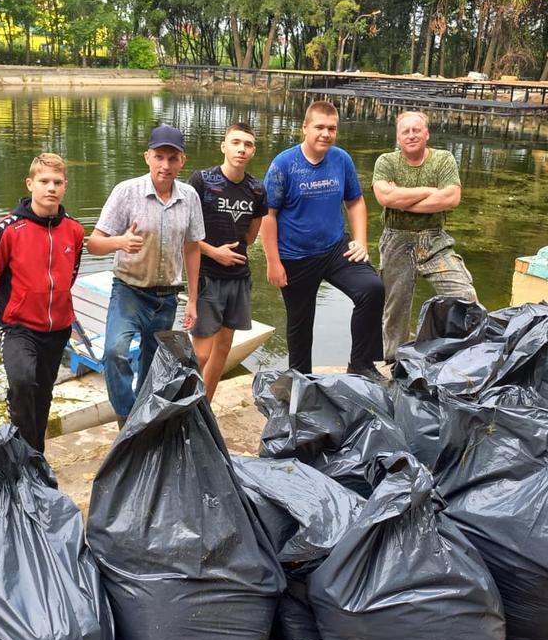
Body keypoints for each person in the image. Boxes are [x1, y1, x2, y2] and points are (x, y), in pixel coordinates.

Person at [86, 125, 205, 424]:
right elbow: (94, 244)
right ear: (147, 157)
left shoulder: (189, 196)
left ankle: (143, 421)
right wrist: (120, 242)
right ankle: (126, 420)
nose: (165, 165)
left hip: (166, 296)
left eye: (172, 158)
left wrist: (192, 299)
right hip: (129, 291)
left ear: (182, 161)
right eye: (159, 157)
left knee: (153, 366)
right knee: (115, 352)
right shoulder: (127, 192)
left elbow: (192, 248)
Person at [262, 100, 384, 380]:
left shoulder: (341, 159)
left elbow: (355, 202)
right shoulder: (284, 164)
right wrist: (273, 262)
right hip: (294, 255)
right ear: (305, 127)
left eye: (332, 128)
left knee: (372, 288)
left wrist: (361, 241)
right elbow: (268, 215)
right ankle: (301, 379)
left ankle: (361, 364)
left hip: (334, 248)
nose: (326, 134)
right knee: (300, 323)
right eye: (319, 127)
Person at [0, 152, 84, 454]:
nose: (51, 188)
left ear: (64, 186)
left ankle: (36, 454)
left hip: (58, 328)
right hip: (19, 326)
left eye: (57, 182)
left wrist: (55, 302)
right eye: (44, 181)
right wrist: (9, 310)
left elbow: (70, 273)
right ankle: (25, 454)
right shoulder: (8, 229)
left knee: (44, 393)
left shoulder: (74, 230)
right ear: (30, 184)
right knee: (23, 383)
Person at [372, 111, 477, 362]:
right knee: (395, 311)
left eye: (416, 130)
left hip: (435, 241)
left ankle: (455, 355)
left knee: (465, 297)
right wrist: (430, 191)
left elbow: (451, 198)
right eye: (405, 131)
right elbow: (385, 198)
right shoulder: (386, 161)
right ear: (397, 137)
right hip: (396, 240)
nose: (411, 135)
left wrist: (403, 199)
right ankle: (392, 362)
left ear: (426, 134)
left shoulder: (443, 160)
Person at [187, 122, 267, 401]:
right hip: (207, 274)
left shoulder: (256, 189)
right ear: (224, 146)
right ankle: (181, 407)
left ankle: (203, 407)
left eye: (247, 144)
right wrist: (214, 252)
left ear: (253, 150)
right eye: (235, 142)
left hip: (239, 278)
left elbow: (252, 234)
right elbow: (184, 232)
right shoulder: (202, 180)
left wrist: (231, 254)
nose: (241, 149)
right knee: (201, 352)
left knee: (223, 348)